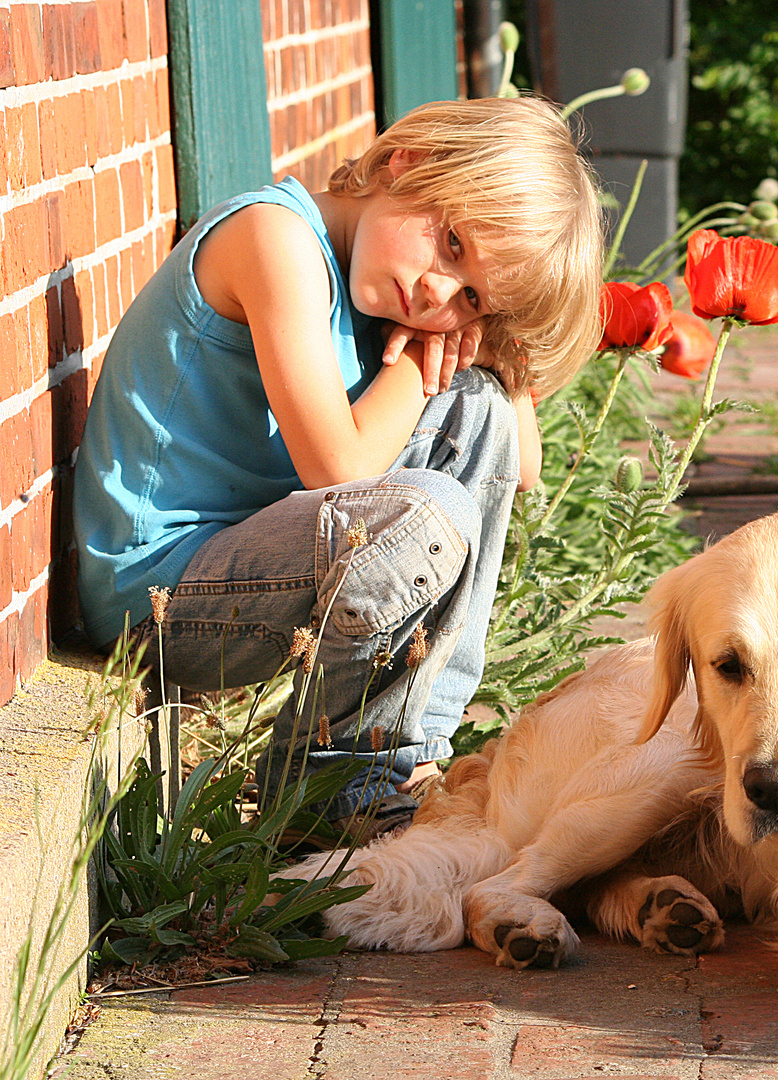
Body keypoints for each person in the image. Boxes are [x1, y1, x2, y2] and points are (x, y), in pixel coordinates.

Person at [73, 96, 604, 838]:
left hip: (256, 570)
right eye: (451, 244)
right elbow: (335, 467)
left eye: (471, 295)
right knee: (422, 512)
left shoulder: (387, 285)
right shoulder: (274, 239)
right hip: (155, 598)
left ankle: (411, 759)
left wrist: (489, 353)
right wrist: (424, 358)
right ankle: (329, 786)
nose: (436, 292)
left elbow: (519, 467)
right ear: (403, 162)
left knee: (479, 407)